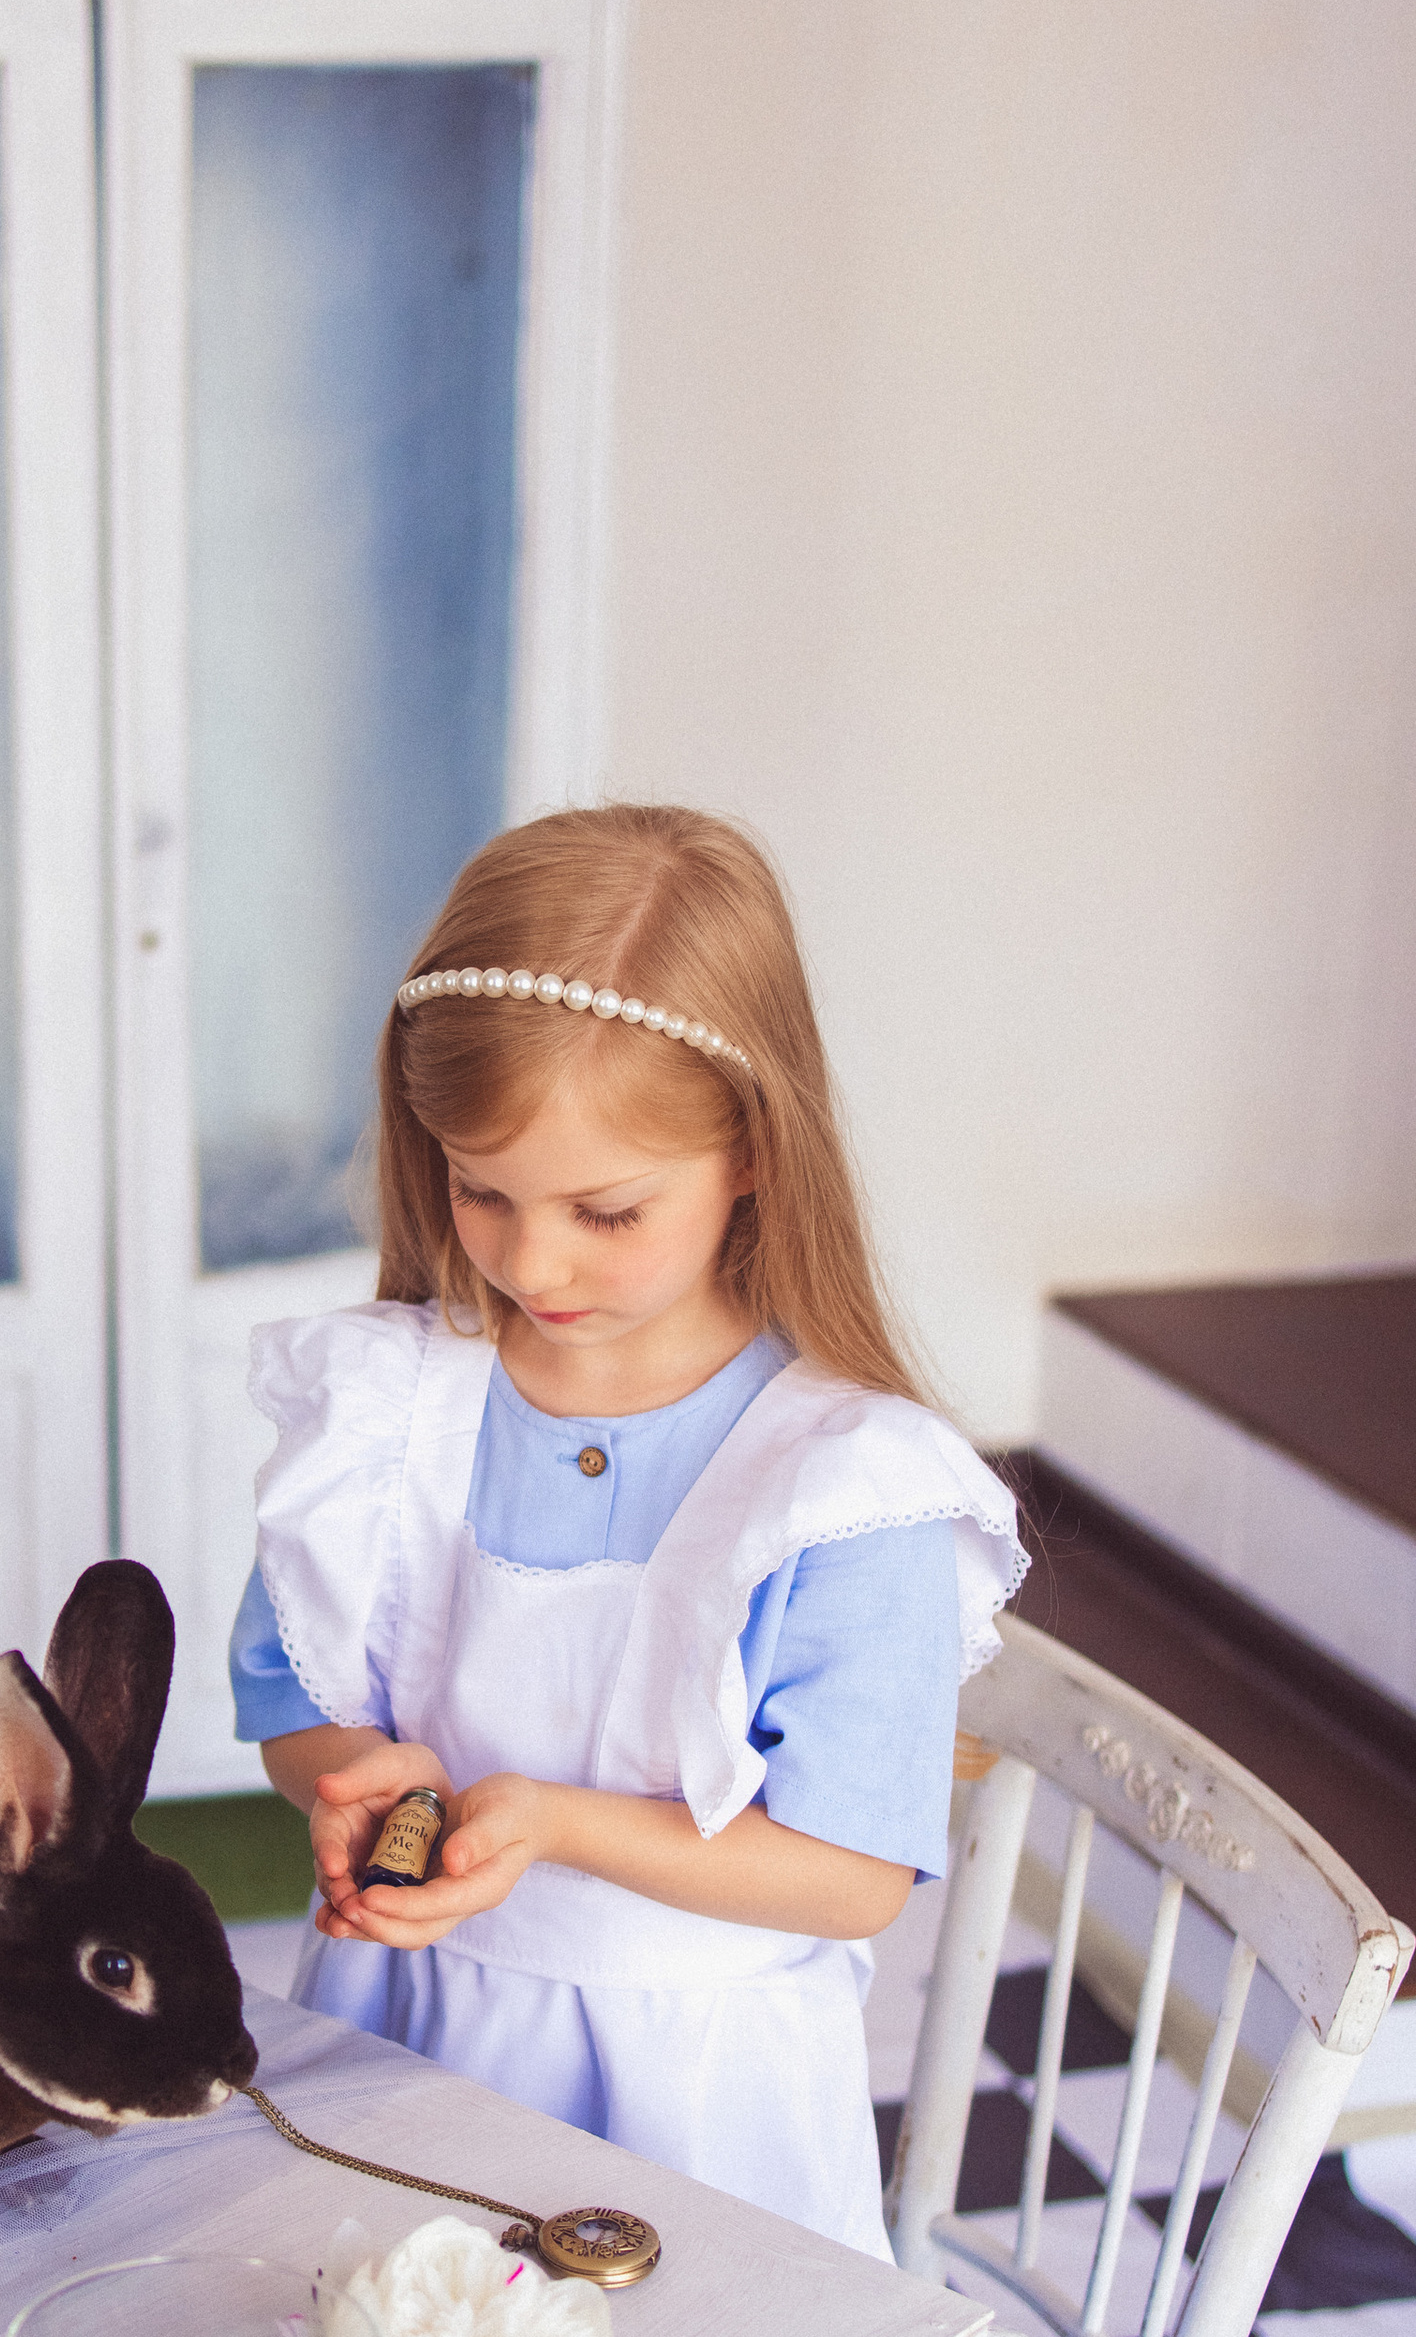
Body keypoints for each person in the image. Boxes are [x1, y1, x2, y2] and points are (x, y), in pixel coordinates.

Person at [232, 804, 1025, 2260]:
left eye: (605, 1209)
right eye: (483, 1190)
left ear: (752, 1151)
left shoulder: (843, 1481)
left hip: (703, 2106)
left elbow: (852, 1873)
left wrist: (549, 1824)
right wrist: (347, 1778)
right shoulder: (393, 1412)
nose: (534, 1260)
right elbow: (296, 1705)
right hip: (405, 2039)